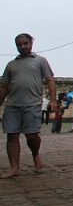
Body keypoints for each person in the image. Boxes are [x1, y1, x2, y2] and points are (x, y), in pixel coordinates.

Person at [0, 33, 59, 178]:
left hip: (32, 104)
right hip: (12, 105)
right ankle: (14, 168)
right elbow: (4, 86)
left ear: (31, 43)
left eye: (25, 43)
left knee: (32, 135)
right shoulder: (11, 65)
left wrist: (53, 100)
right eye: (19, 45)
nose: (22, 47)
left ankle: (35, 154)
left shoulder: (40, 61)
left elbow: (50, 80)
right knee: (12, 136)